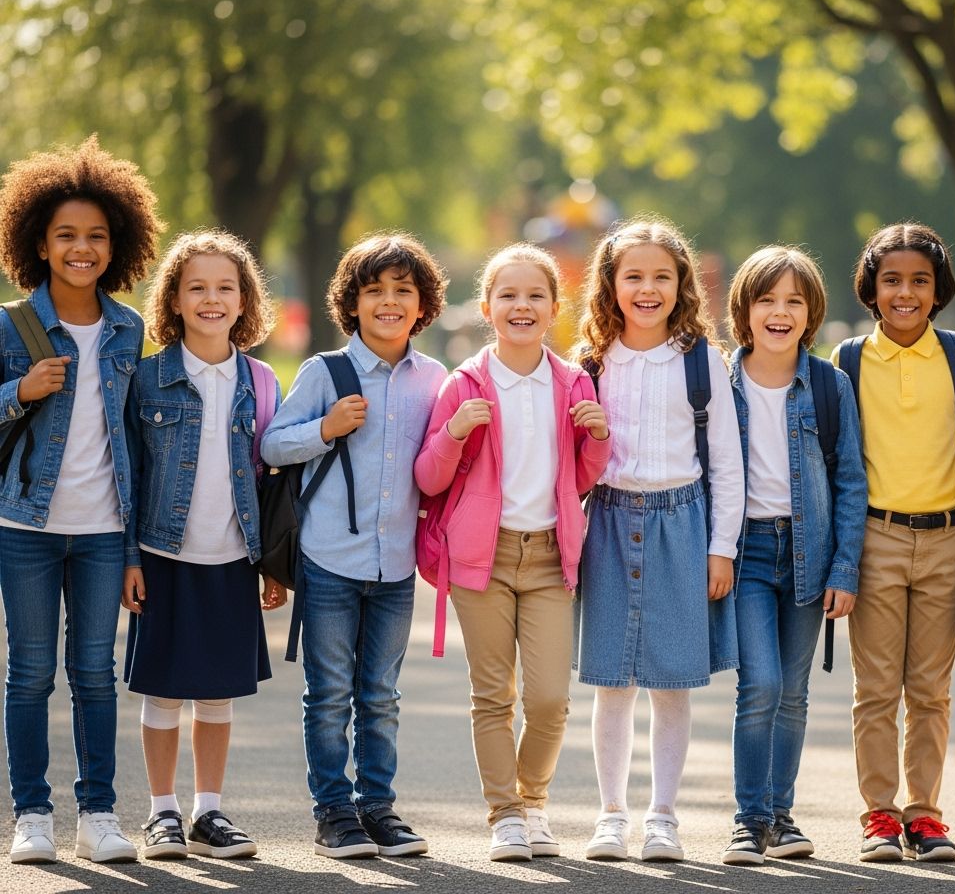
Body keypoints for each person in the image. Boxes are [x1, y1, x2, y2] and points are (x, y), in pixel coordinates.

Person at [415, 244, 610, 862]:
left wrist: (600, 437)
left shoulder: (573, 382)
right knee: (493, 696)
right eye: (508, 295)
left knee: (551, 699)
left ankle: (532, 803)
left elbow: (580, 479)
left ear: (554, 308)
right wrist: (453, 432)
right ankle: (504, 815)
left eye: (534, 296)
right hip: (483, 560)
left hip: (552, 556)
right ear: (487, 307)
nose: (521, 305)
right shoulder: (463, 384)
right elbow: (428, 479)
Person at [0, 137, 161, 865]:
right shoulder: (11, 326)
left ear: (117, 243)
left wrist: (132, 549)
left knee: (95, 676)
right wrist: (17, 392)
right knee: (29, 674)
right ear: (39, 241)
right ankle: (31, 814)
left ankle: (99, 814)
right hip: (24, 526)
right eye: (66, 235)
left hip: (102, 532)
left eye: (96, 236)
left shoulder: (129, 328)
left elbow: (133, 442)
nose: (82, 248)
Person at [260, 233, 447, 859]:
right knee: (330, 691)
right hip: (328, 562)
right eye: (375, 291)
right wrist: (325, 427)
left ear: (423, 304)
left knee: (381, 695)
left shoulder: (435, 379)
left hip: (395, 566)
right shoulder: (324, 372)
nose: (389, 302)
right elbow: (271, 447)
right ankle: (333, 812)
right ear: (353, 303)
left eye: (403, 291)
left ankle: (378, 807)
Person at [575, 216, 745, 862]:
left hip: (683, 525)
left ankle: (663, 816)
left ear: (682, 285)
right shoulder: (589, 363)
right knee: (612, 683)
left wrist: (721, 546)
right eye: (634, 277)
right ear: (610, 285)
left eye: (662, 277)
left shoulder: (702, 363)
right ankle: (611, 814)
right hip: (610, 524)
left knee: (671, 683)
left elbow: (726, 463)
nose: (648, 289)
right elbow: (570, 463)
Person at [122, 230, 285, 860]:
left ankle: (207, 812)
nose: (211, 298)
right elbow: (129, 475)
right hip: (163, 555)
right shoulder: (147, 379)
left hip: (232, 557)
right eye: (197, 287)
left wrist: (271, 564)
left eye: (225, 287)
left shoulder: (261, 380)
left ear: (244, 300)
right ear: (175, 299)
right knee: (162, 688)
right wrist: (130, 559)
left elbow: (271, 478)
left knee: (216, 690)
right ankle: (161, 813)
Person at [832, 223, 955, 863]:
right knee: (876, 689)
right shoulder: (848, 360)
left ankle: (924, 813)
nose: (905, 292)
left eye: (919, 280)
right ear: (872, 287)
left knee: (930, 690)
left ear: (937, 289)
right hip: (876, 537)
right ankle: (880, 816)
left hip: (948, 537)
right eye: (892, 280)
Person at [720, 246, 866, 865]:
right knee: (762, 683)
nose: (780, 312)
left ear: (811, 314)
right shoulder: (718, 383)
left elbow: (852, 481)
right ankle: (749, 820)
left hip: (809, 553)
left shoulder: (829, 385)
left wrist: (844, 567)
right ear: (744, 310)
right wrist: (713, 553)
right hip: (745, 550)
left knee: (795, 692)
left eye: (794, 301)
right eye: (767, 299)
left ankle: (782, 815)